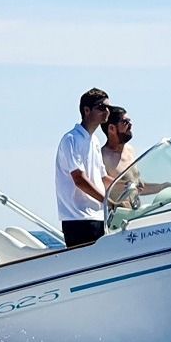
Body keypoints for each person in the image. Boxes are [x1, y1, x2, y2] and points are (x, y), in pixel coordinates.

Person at [54, 88, 111, 247]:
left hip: (97, 216)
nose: (106, 111)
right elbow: (79, 179)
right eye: (101, 107)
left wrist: (127, 186)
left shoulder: (95, 141)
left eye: (108, 107)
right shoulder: (71, 139)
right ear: (87, 110)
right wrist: (107, 201)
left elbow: (102, 178)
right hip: (77, 219)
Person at [100, 105, 168, 207]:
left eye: (129, 121)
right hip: (118, 219)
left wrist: (162, 187)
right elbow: (101, 188)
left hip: (135, 215)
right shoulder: (102, 157)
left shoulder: (130, 150)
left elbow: (137, 188)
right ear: (111, 128)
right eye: (125, 122)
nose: (130, 125)